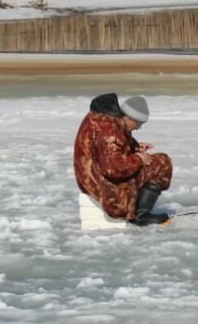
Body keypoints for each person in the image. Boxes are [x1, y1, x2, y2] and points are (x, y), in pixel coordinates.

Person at [73, 93, 173, 225]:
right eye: (138, 125)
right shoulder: (110, 130)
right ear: (130, 118)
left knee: (158, 160)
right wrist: (139, 158)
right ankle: (139, 216)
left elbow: (112, 148)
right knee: (162, 164)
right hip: (101, 183)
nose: (138, 128)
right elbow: (115, 169)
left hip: (92, 175)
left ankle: (138, 211)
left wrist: (135, 147)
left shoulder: (107, 119)